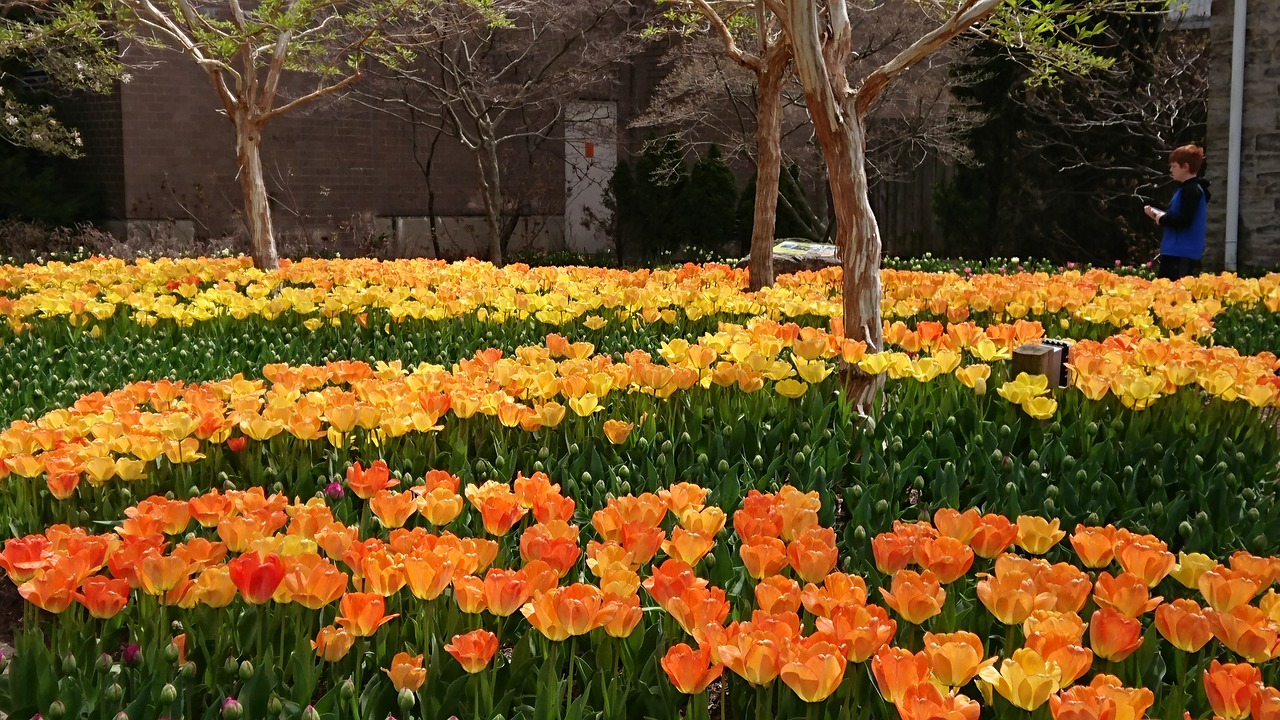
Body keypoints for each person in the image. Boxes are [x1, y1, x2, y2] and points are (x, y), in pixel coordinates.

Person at [1144, 144, 1211, 280]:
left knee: (1176, 294)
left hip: (1182, 251)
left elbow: (1184, 220)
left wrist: (1161, 218)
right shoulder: (1186, 189)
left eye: (1174, 166)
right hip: (1175, 250)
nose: (1171, 169)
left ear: (1185, 167)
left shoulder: (1192, 190)